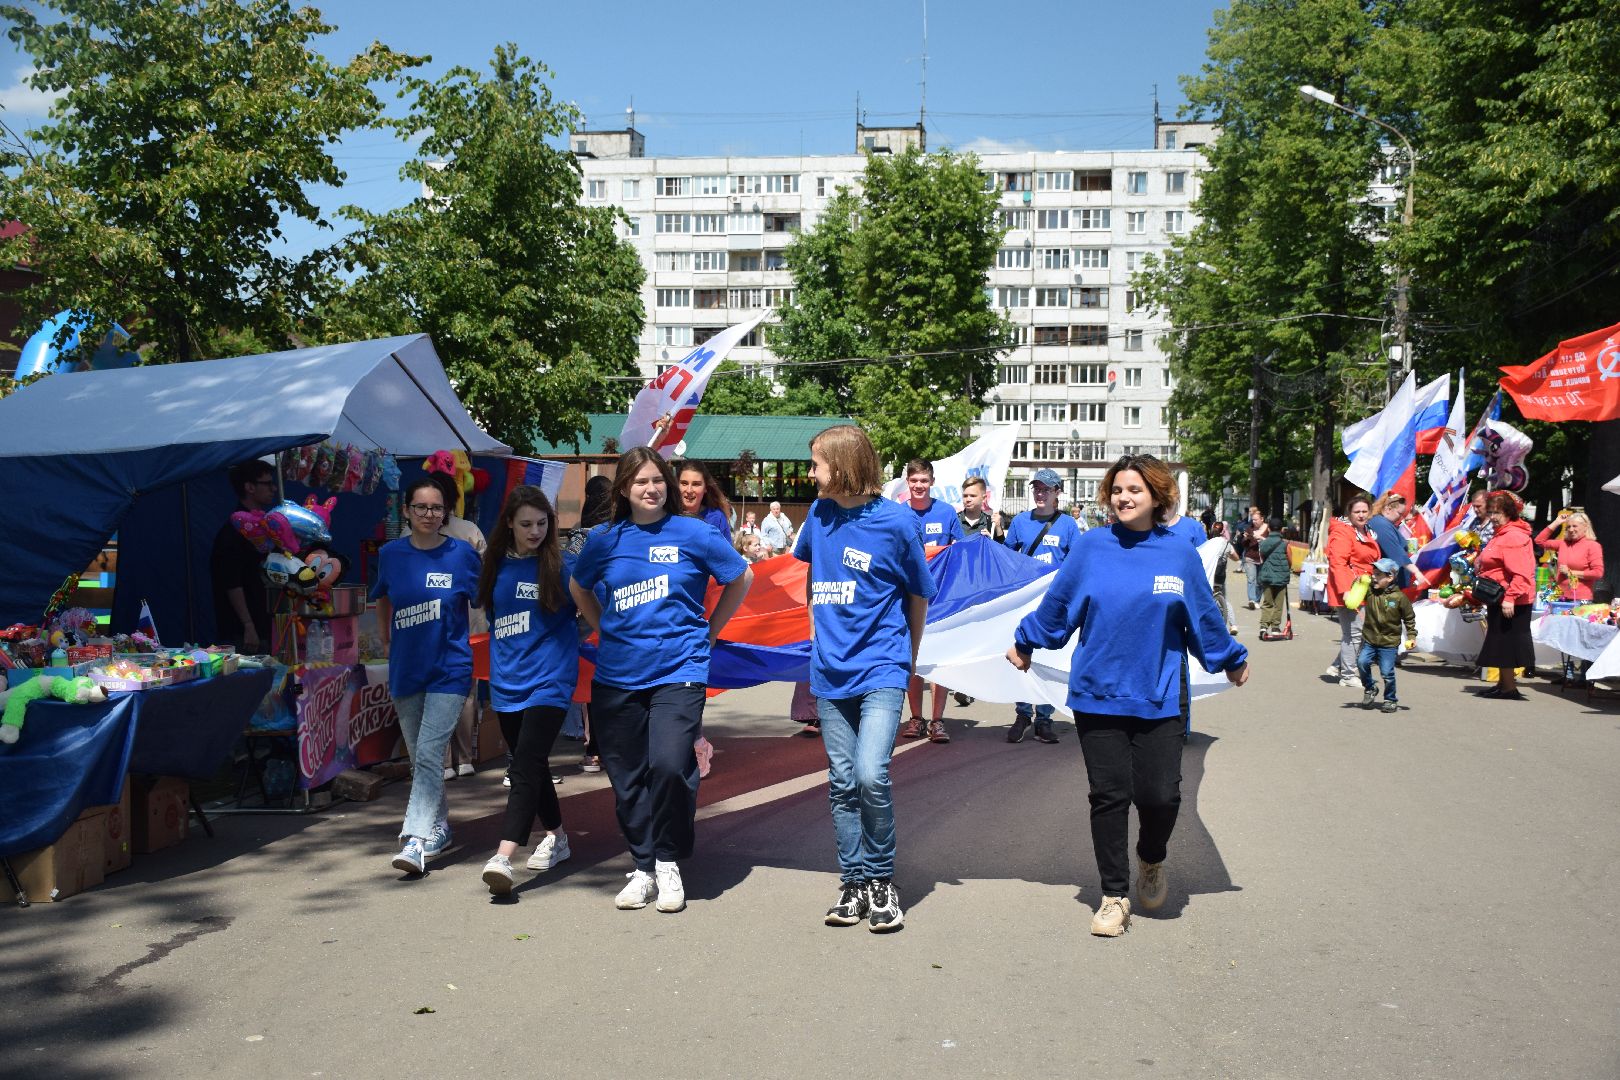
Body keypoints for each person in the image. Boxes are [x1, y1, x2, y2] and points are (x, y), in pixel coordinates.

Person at [1005, 454, 1249, 937]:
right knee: (1109, 797)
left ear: (1157, 495)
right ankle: (1113, 894)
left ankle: (1151, 858)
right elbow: (1058, 607)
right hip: (1097, 695)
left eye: (1134, 489)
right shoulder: (1092, 548)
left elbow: (1202, 618)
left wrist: (1231, 657)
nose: (1124, 497)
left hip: (1159, 695)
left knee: (1161, 796)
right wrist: (1026, 640)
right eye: (1117, 490)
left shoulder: (1178, 553)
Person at [569, 449, 753, 913]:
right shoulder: (605, 539)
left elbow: (741, 576)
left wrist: (710, 632)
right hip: (617, 675)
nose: (650, 489)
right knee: (627, 777)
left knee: (670, 765)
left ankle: (668, 860)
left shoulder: (694, 532)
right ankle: (643, 865)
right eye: (640, 482)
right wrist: (604, 625)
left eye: (657, 480)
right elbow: (579, 587)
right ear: (623, 490)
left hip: (680, 670)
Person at [795, 425, 936, 932]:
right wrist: (817, 629)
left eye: (817, 463)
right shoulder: (818, 514)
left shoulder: (897, 523)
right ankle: (853, 883)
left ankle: (880, 880)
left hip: (882, 666)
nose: (811, 474)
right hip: (830, 672)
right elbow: (813, 577)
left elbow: (919, 594)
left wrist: (910, 657)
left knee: (870, 774)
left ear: (845, 464)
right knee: (840, 781)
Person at [373, 477, 482, 875]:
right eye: (420, 507)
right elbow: (383, 595)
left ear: (446, 513)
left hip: (450, 669)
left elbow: (483, 598)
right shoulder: (390, 554)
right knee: (422, 756)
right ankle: (439, 826)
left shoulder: (463, 555)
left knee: (430, 751)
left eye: (436, 508)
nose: (429, 514)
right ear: (406, 510)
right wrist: (386, 638)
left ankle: (415, 839)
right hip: (407, 668)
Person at [476, 486, 580, 895]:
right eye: (526, 524)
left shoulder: (563, 567)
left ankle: (504, 856)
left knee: (523, 767)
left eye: (542, 523)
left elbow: (594, 611)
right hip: (506, 682)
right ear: (509, 525)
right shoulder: (495, 565)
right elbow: (494, 617)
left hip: (551, 681)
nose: (535, 531)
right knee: (530, 766)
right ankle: (558, 835)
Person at [1002, 467, 1084, 743]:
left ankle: (1044, 718)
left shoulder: (1068, 526)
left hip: (1054, 604)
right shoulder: (1020, 522)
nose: (1040, 493)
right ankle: (1022, 713)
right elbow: (1007, 558)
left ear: (1057, 493)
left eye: (1046, 489)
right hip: (1024, 601)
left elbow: (1077, 564)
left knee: (1048, 657)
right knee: (1021, 656)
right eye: (1036, 488)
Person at [426, 470, 489, 782]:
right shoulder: (469, 531)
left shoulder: (414, 537)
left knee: (436, 690)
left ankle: (444, 761)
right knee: (466, 690)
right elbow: (487, 575)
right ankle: (464, 758)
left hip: (430, 623)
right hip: (471, 622)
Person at [899, 459, 963, 743]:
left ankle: (937, 720)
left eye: (924, 481)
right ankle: (916, 717)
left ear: (932, 482)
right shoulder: (899, 514)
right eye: (914, 481)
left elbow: (960, 552)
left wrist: (937, 551)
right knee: (914, 658)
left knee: (939, 661)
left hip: (942, 599)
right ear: (907, 483)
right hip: (908, 597)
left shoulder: (947, 512)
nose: (919, 486)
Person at [565, 475, 613, 774]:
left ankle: (593, 747)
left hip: (588, 618)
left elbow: (571, 576)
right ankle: (611, 746)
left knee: (591, 685)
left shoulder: (579, 536)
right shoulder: (617, 532)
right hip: (621, 615)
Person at [1473, 491, 1536, 701]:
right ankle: (1503, 684)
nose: (1492, 516)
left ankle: (1509, 688)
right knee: (1500, 642)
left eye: (1496, 512)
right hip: (1500, 596)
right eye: (1490, 512)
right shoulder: (1503, 533)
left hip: (1512, 599)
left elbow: (1521, 572)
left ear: (1508, 512)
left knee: (1506, 644)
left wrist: (1511, 597)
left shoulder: (1513, 537)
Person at [212, 460, 277, 653]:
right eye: (267, 484)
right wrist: (248, 625)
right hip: (243, 633)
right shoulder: (233, 531)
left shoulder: (265, 527)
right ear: (249, 487)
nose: (273, 489)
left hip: (265, 624)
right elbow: (232, 582)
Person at [1324, 494, 1381, 689]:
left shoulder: (1367, 531)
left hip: (1364, 587)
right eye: (1357, 511)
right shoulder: (1343, 532)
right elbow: (1338, 563)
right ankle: (1348, 675)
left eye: (1365, 511)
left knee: (1362, 632)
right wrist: (1345, 590)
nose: (1361, 515)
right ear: (1349, 513)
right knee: (1355, 633)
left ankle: (1337, 666)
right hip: (1350, 590)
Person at [1357, 558, 1416, 713]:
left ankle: (1390, 699)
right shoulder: (1369, 591)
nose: (1373, 577)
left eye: (1378, 574)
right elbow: (1355, 595)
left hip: (1389, 642)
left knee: (1387, 672)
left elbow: (1409, 618)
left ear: (1390, 577)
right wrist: (1357, 583)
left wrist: (1411, 636)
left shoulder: (1399, 598)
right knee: (1362, 662)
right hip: (1370, 638)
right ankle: (1370, 688)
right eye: (1373, 573)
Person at [1536, 509, 1603, 601]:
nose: (1571, 530)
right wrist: (1556, 522)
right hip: (1559, 596)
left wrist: (1571, 573)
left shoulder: (1593, 546)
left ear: (1585, 527)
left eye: (1575, 526)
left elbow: (1598, 573)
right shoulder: (1563, 543)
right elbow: (1539, 541)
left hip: (1580, 599)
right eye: (1568, 527)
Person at [676, 460, 733, 541]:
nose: (689, 490)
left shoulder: (716, 518)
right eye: (684, 483)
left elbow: (727, 553)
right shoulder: (667, 516)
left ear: (705, 487)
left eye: (696, 484)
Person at [1367, 492, 1415, 588]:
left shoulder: (1385, 523)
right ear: (1388, 509)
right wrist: (1417, 572)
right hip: (1386, 583)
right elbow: (1395, 552)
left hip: (1391, 581)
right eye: (1399, 513)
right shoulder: (1380, 524)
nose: (1401, 518)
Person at [1256, 516, 1293, 637]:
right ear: (1281, 529)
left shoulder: (1264, 543)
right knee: (1278, 603)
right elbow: (1290, 560)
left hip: (1267, 576)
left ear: (1269, 529)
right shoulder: (1285, 544)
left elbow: (1261, 558)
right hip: (1281, 577)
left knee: (1267, 602)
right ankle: (1275, 627)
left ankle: (1263, 627)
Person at [1208, 522, 1239, 634]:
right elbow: (1236, 558)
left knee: (1207, 597)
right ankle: (1233, 625)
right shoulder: (1226, 544)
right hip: (1221, 576)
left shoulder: (1208, 543)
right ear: (1222, 531)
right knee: (1223, 599)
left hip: (1210, 574)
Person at [1236, 507, 1269, 609]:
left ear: (1262, 519)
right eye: (1253, 519)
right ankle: (1252, 599)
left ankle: (1257, 600)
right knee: (1251, 579)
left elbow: (1271, 542)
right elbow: (1244, 544)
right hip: (1250, 557)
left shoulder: (1267, 529)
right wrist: (1245, 538)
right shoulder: (1249, 528)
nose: (1253, 521)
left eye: (1256, 520)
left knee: (1260, 581)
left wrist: (1262, 538)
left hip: (1263, 558)